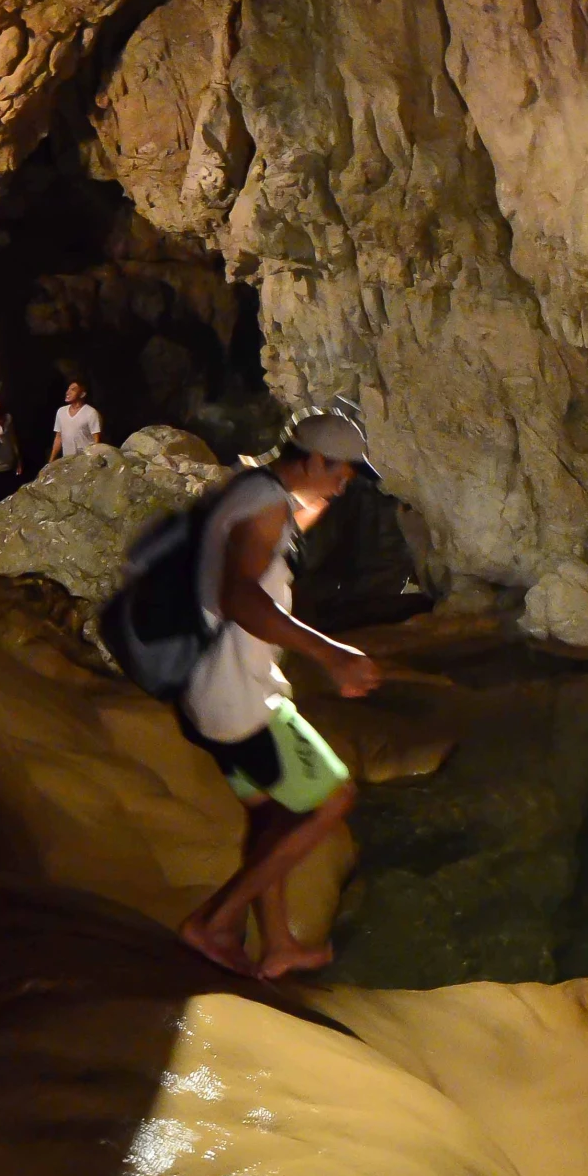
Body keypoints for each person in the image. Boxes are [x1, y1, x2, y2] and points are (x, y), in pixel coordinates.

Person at [175, 408, 382, 980]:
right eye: (340, 472)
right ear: (313, 460)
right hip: (241, 701)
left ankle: (280, 945)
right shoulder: (265, 507)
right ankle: (215, 922)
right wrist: (333, 654)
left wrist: (308, 511)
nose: (345, 484)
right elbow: (242, 598)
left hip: (205, 694)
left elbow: (271, 539)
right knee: (332, 800)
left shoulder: (255, 492)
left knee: (270, 816)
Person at [50, 379, 102, 462]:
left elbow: (96, 439)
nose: (68, 392)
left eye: (73, 390)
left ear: (82, 394)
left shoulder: (91, 413)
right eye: (68, 389)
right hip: (68, 460)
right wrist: (51, 460)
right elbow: (58, 437)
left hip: (85, 460)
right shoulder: (61, 411)